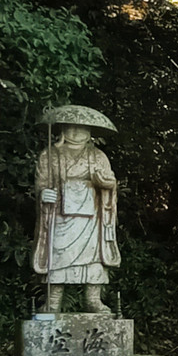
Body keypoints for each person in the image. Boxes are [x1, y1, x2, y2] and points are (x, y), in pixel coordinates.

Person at [32, 106, 121, 314]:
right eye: (71, 127)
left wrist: (106, 184)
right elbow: (41, 182)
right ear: (62, 129)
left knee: (93, 257)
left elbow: (110, 182)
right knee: (58, 255)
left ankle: (93, 299)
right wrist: (43, 193)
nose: (76, 132)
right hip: (59, 214)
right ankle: (53, 300)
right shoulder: (50, 155)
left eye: (81, 128)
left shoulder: (98, 156)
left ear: (89, 132)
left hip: (91, 217)